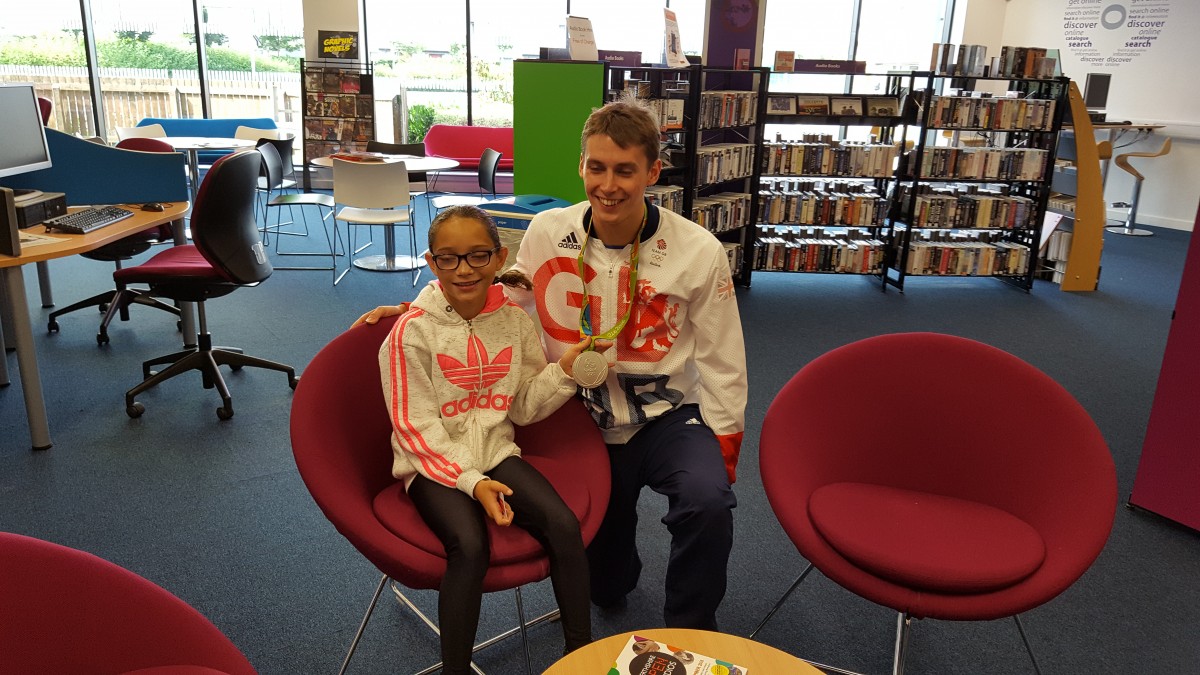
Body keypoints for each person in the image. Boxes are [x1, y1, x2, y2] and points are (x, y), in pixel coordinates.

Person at [359, 95, 747, 630]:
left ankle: (692, 627)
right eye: (597, 167)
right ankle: (616, 575)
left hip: (666, 416)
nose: (608, 185)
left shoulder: (698, 251)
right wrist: (424, 308)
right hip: (579, 414)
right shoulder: (547, 231)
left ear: (653, 172)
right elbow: (505, 295)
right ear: (581, 165)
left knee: (708, 501)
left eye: (625, 170)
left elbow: (724, 358)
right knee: (606, 587)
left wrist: (724, 445)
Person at [378, 205, 596, 673]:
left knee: (562, 524)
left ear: (499, 258)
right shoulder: (410, 334)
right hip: (431, 466)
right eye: (449, 258)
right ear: (431, 263)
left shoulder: (515, 322)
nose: (464, 270)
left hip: (496, 453)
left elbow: (521, 407)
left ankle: (581, 656)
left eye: (478, 256)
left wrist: (563, 372)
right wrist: (472, 482)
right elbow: (416, 430)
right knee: (470, 546)